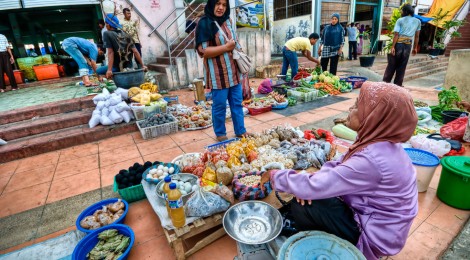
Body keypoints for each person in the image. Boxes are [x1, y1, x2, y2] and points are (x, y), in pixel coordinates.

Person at [270, 81, 419, 259]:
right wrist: (311, 182)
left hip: (374, 237)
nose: (350, 108)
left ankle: (326, 248)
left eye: (357, 106)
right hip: (379, 223)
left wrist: (274, 176)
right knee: (311, 192)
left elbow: (315, 186)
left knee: (304, 204)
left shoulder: (372, 160)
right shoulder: (380, 144)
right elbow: (338, 166)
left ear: (374, 116)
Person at [195, 0, 249, 142]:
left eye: (224, 5)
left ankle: (240, 131)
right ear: (212, 4)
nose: (221, 8)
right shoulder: (204, 23)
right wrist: (226, 48)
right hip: (217, 75)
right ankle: (220, 134)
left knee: (237, 104)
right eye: (218, 3)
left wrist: (244, 68)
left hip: (234, 72)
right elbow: (203, 51)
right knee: (219, 106)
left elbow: (235, 44)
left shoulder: (228, 21)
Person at [97, 14, 147, 79]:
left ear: (108, 25)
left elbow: (110, 52)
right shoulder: (126, 34)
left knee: (98, 71)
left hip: (116, 67)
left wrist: (109, 70)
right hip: (129, 67)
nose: (106, 26)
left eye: (106, 24)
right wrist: (143, 65)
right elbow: (135, 51)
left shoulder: (107, 33)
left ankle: (115, 74)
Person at [383, 4, 420, 87]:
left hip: (399, 44)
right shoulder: (418, 21)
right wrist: (415, 48)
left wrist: (392, 47)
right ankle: (398, 85)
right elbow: (417, 36)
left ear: (405, 11)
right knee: (402, 66)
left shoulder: (400, 20)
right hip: (408, 46)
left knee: (392, 64)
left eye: (402, 10)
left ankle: (385, 83)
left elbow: (396, 34)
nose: (401, 12)